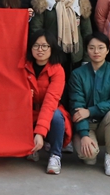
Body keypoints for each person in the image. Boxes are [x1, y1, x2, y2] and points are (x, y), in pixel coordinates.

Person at [68, 32, 110, 177]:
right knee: (89, 157)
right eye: (92, 48)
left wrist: (91, 110)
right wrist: (84, 135)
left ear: (107, 50)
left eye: (101, 48)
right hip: (86, 125)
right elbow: (77, 106)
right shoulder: (77, 74)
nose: (96, 52)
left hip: (105, 124)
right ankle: (88, 144)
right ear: (87, 50)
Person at [25, 32, 72, 175]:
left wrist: (39, 132)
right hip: (29, 111)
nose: (40, 50)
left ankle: (55, 155)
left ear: (52, 48)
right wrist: (25, 96)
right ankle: (29, 147)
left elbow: (50, 102)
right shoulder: (24, 67)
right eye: (36, 46)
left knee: (56, 115)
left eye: (45, 46)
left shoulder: (58, 70)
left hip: (50, 111)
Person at [31, 0, 93, 68]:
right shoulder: (43, 1)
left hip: (75, 56)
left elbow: (87, 33)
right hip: (50, 55)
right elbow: (36, 30)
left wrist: (87, 59)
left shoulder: (80, 1)